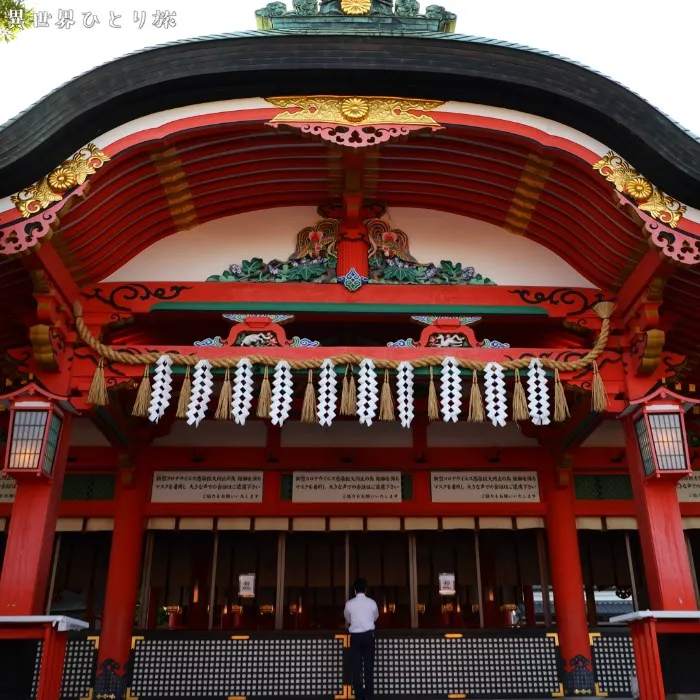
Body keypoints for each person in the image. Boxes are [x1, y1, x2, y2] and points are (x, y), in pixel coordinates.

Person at [344, 578, 379, 700]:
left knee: (356, 668)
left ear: (354, 590)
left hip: (355, 638)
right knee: (369, 668)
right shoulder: (372, 603)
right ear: (366, 589)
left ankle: (359, 696)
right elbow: (375, 617)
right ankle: (369, 695)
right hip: (369, 637)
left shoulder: (349, 604)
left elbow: (348, 619)